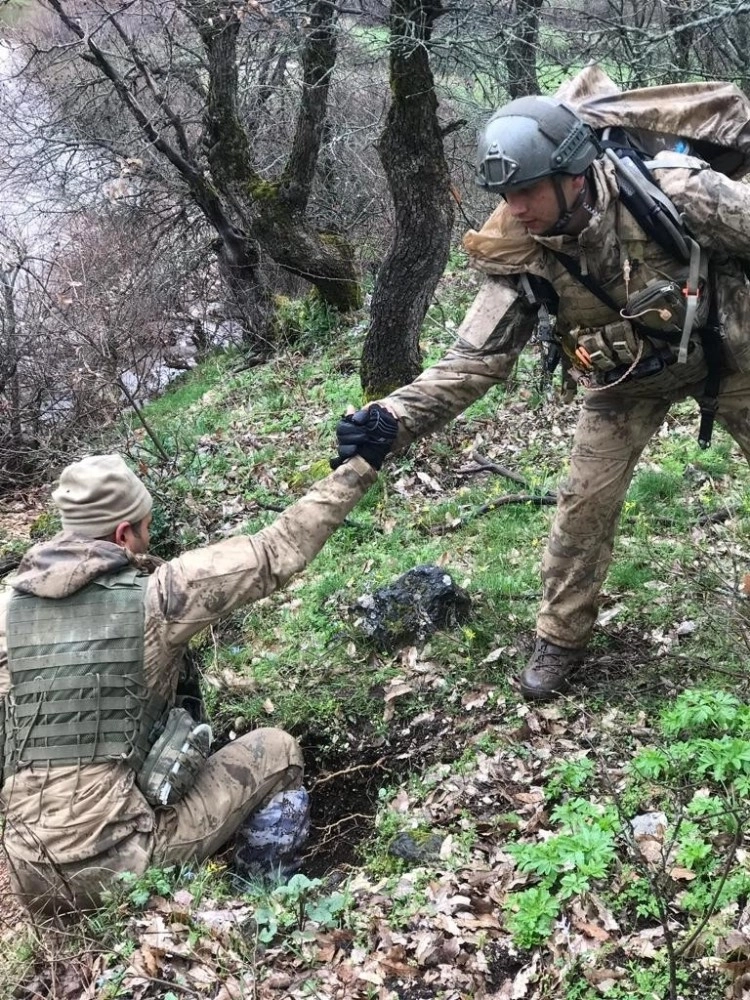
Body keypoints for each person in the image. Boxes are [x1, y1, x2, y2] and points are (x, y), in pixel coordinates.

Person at [335, 95, 750, 701]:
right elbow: (474, 361)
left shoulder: (675, 191)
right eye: (506, 194)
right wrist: (389, 419)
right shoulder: (519, 249)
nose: (515, 207)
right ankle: (560, 638)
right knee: (581, 511)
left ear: (573, 173)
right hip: (624, 385)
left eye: (528, 190)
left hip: (733, 357)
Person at [0, 405, 397, 915]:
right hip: (118, 867)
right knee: (278, 752)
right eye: (144, 527)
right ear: (124, 534)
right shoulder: (157, 597)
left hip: (30, 873)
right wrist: (359, 464)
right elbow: (276, 550)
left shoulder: (9, 608)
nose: (148, 537)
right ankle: (262, 897)